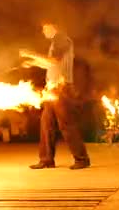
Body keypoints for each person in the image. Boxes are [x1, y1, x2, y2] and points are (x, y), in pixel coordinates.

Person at [20, 20, 90, 169]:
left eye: (45, 28)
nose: (43, 31)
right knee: (46, 124)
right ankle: (46, 160)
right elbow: (50, 64)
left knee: (66, 124)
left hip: (61, 88)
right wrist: (32, 62)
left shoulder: (62, 39)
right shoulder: (56, 42)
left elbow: (54, 60)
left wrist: (31, 54)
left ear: (54, 27)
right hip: (52, 89)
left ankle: (82, 159)